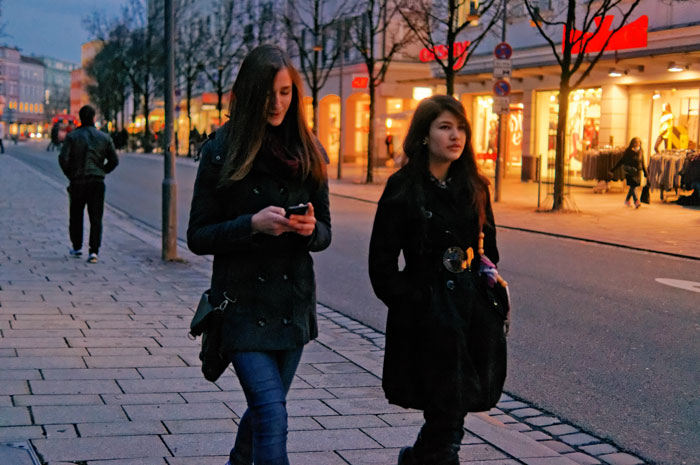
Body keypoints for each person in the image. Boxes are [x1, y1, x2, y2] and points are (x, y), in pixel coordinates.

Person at [187, 44, 331, 465]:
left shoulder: (309, 150)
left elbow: (325, 232)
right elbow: (198, 235)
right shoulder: (221, 149)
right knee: (272, 416)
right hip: (242, 307)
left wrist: (308, 230)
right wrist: (250, 225)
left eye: (285, 92)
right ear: (249, 94)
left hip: (292, 306)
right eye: (268, 93)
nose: (277, 103)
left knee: (261, 418)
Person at [369, 95, 507, 465]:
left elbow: (488, 250)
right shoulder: (403, 187)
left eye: (461, 128)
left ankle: (419, 458)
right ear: (424, 136)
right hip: (426, 312)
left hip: (467, 312)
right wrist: (412, 300)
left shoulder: (475, 186)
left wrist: (486, 291)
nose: (455, 136)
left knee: (452, 403)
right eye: (445, 127)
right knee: (448, 403)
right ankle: (428, 458)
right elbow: (381, 265)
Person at [58, 105, 119, 263]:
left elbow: (63, 158)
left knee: (76, 215)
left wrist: (71, 174)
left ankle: (77, 246)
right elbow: (114, 160)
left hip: (78, 181)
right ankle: (94, 251)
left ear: (80, 118)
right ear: (93, 118)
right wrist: (103, 171)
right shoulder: (104, 137)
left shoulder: (73, 137)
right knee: (96, 217)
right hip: (96, 182)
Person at [611, 137, 647, 208]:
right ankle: (636, 201)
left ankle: (627, 200)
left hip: (638, 172)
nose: (637, 144)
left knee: (633, 187)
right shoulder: (628, 151)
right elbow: (621, 161)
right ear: (632, 143)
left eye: (638, 142)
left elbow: (642, 163)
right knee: (633, 187)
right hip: (630, 172)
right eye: (635, 142)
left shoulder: (640, 151)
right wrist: (613, 169)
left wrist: (646, 173)